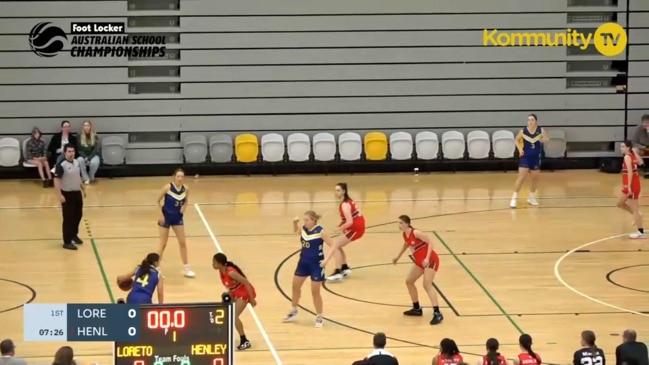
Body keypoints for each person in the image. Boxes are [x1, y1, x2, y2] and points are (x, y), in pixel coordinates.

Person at [283, 211, 334, 327]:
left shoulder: (320, 231)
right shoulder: (303, 229)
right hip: (303, 263)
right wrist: (294, 223)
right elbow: (296, 231)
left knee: (315, 292)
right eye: (304, 220)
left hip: (316, 265)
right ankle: (294, 311)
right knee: (295, 286)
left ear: (313, 220)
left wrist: (326, 260)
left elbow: (333, 245)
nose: (304, 222)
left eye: (307, 220)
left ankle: (319, 316)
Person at [392, 215, 443, 325]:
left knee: (427, 285)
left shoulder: (416, 233)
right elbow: (406, 245)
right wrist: (398, 257)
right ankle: (417, 308)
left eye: (401, 223)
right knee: (409, 281)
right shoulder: (405, 235)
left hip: (430, 260)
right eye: (399, 223)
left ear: (407, 224)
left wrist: (427, 258)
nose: (399, 225)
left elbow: (430, 242)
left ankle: (437, 312)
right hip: (420, 261)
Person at [213, 252, 257, 350]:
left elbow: (246, 282)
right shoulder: (221, 271)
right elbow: (230, 285)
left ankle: (244, 341)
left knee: (233, 316)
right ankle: (225, 334)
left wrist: (252, 299)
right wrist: (230, 293)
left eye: (214, 262)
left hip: (244, 293)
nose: (213, 264)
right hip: (235, 292)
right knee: (226, 312)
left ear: (220, 263)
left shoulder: (231, 272)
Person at [157, 168, 195, 277]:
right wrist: (160, 215)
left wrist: (184, 207)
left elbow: (186, 200)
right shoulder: (168, 187)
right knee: (163, 243)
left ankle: (186, 268)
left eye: (182, 176)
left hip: (177, 217)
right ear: (174, 177)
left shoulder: (186, 189)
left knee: (182, 242)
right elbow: (157, 201)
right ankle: (156, 267)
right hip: (166, 217)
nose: (180, 179)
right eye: (178, 176)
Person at [325, 182, 366, 281]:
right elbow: (348, 219)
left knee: (335, 246)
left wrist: (339, 229)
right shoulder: (347, 201)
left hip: (356, 227)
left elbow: (349, 222)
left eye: (338, 190)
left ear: (344, 191)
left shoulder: (345, 204)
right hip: (356, 226)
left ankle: (338, 271)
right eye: (335, 190)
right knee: (337, 246)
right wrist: (341, 226)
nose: (336, 192)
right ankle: (344, 267)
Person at [510, 114, 549, 208]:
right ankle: (514, 198)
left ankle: (531, 197)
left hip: (535, 158)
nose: (530, 121)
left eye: (532, 120)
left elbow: (547, 138)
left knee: (535, 178)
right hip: (525, 157)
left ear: (536, 121)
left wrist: (542, 139)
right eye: (529, 120)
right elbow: (516, 139)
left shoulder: (540, 130)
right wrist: (519, 149)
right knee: (521, 178)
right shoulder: (523, 131)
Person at [53, 143, 86, 251]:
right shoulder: (61, 164)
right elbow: (56, 180)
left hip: (77, 193)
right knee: (68, 218)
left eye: (73, 151)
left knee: (78, 215)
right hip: (67, 194)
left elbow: (78, 176)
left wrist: (82, 187)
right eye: (69, 151)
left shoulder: (76, 162)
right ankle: (67, 241)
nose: (72, 153)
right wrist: (59, 195)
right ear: (65, 152)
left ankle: (73, 235)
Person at [618, 141, 645, 238]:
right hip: (630, 184)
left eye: (623, 146)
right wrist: (635, 153)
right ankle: (638, 215)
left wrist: (629, 186)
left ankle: (640, 232)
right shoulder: (632, 155)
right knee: (620, 203)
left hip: (632, 185)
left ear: (628, 147)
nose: (621, 148)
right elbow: (641, 163)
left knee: (635, 209)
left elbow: (630, 172)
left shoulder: (627, 157)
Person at [76, 120, 101, 185]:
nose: (86, 127)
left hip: (93, 155)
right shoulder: (79, 135)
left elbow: (96, 149)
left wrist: (89, 158)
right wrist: (85, 157)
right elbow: (79, 149)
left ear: (90, 126)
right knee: (79, 160)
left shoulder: (95, 135)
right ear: (83, 127)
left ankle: (91, 175)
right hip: (83, 155)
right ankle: (85, 178)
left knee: (94, 162)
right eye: (85, 125)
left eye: (88, 125)